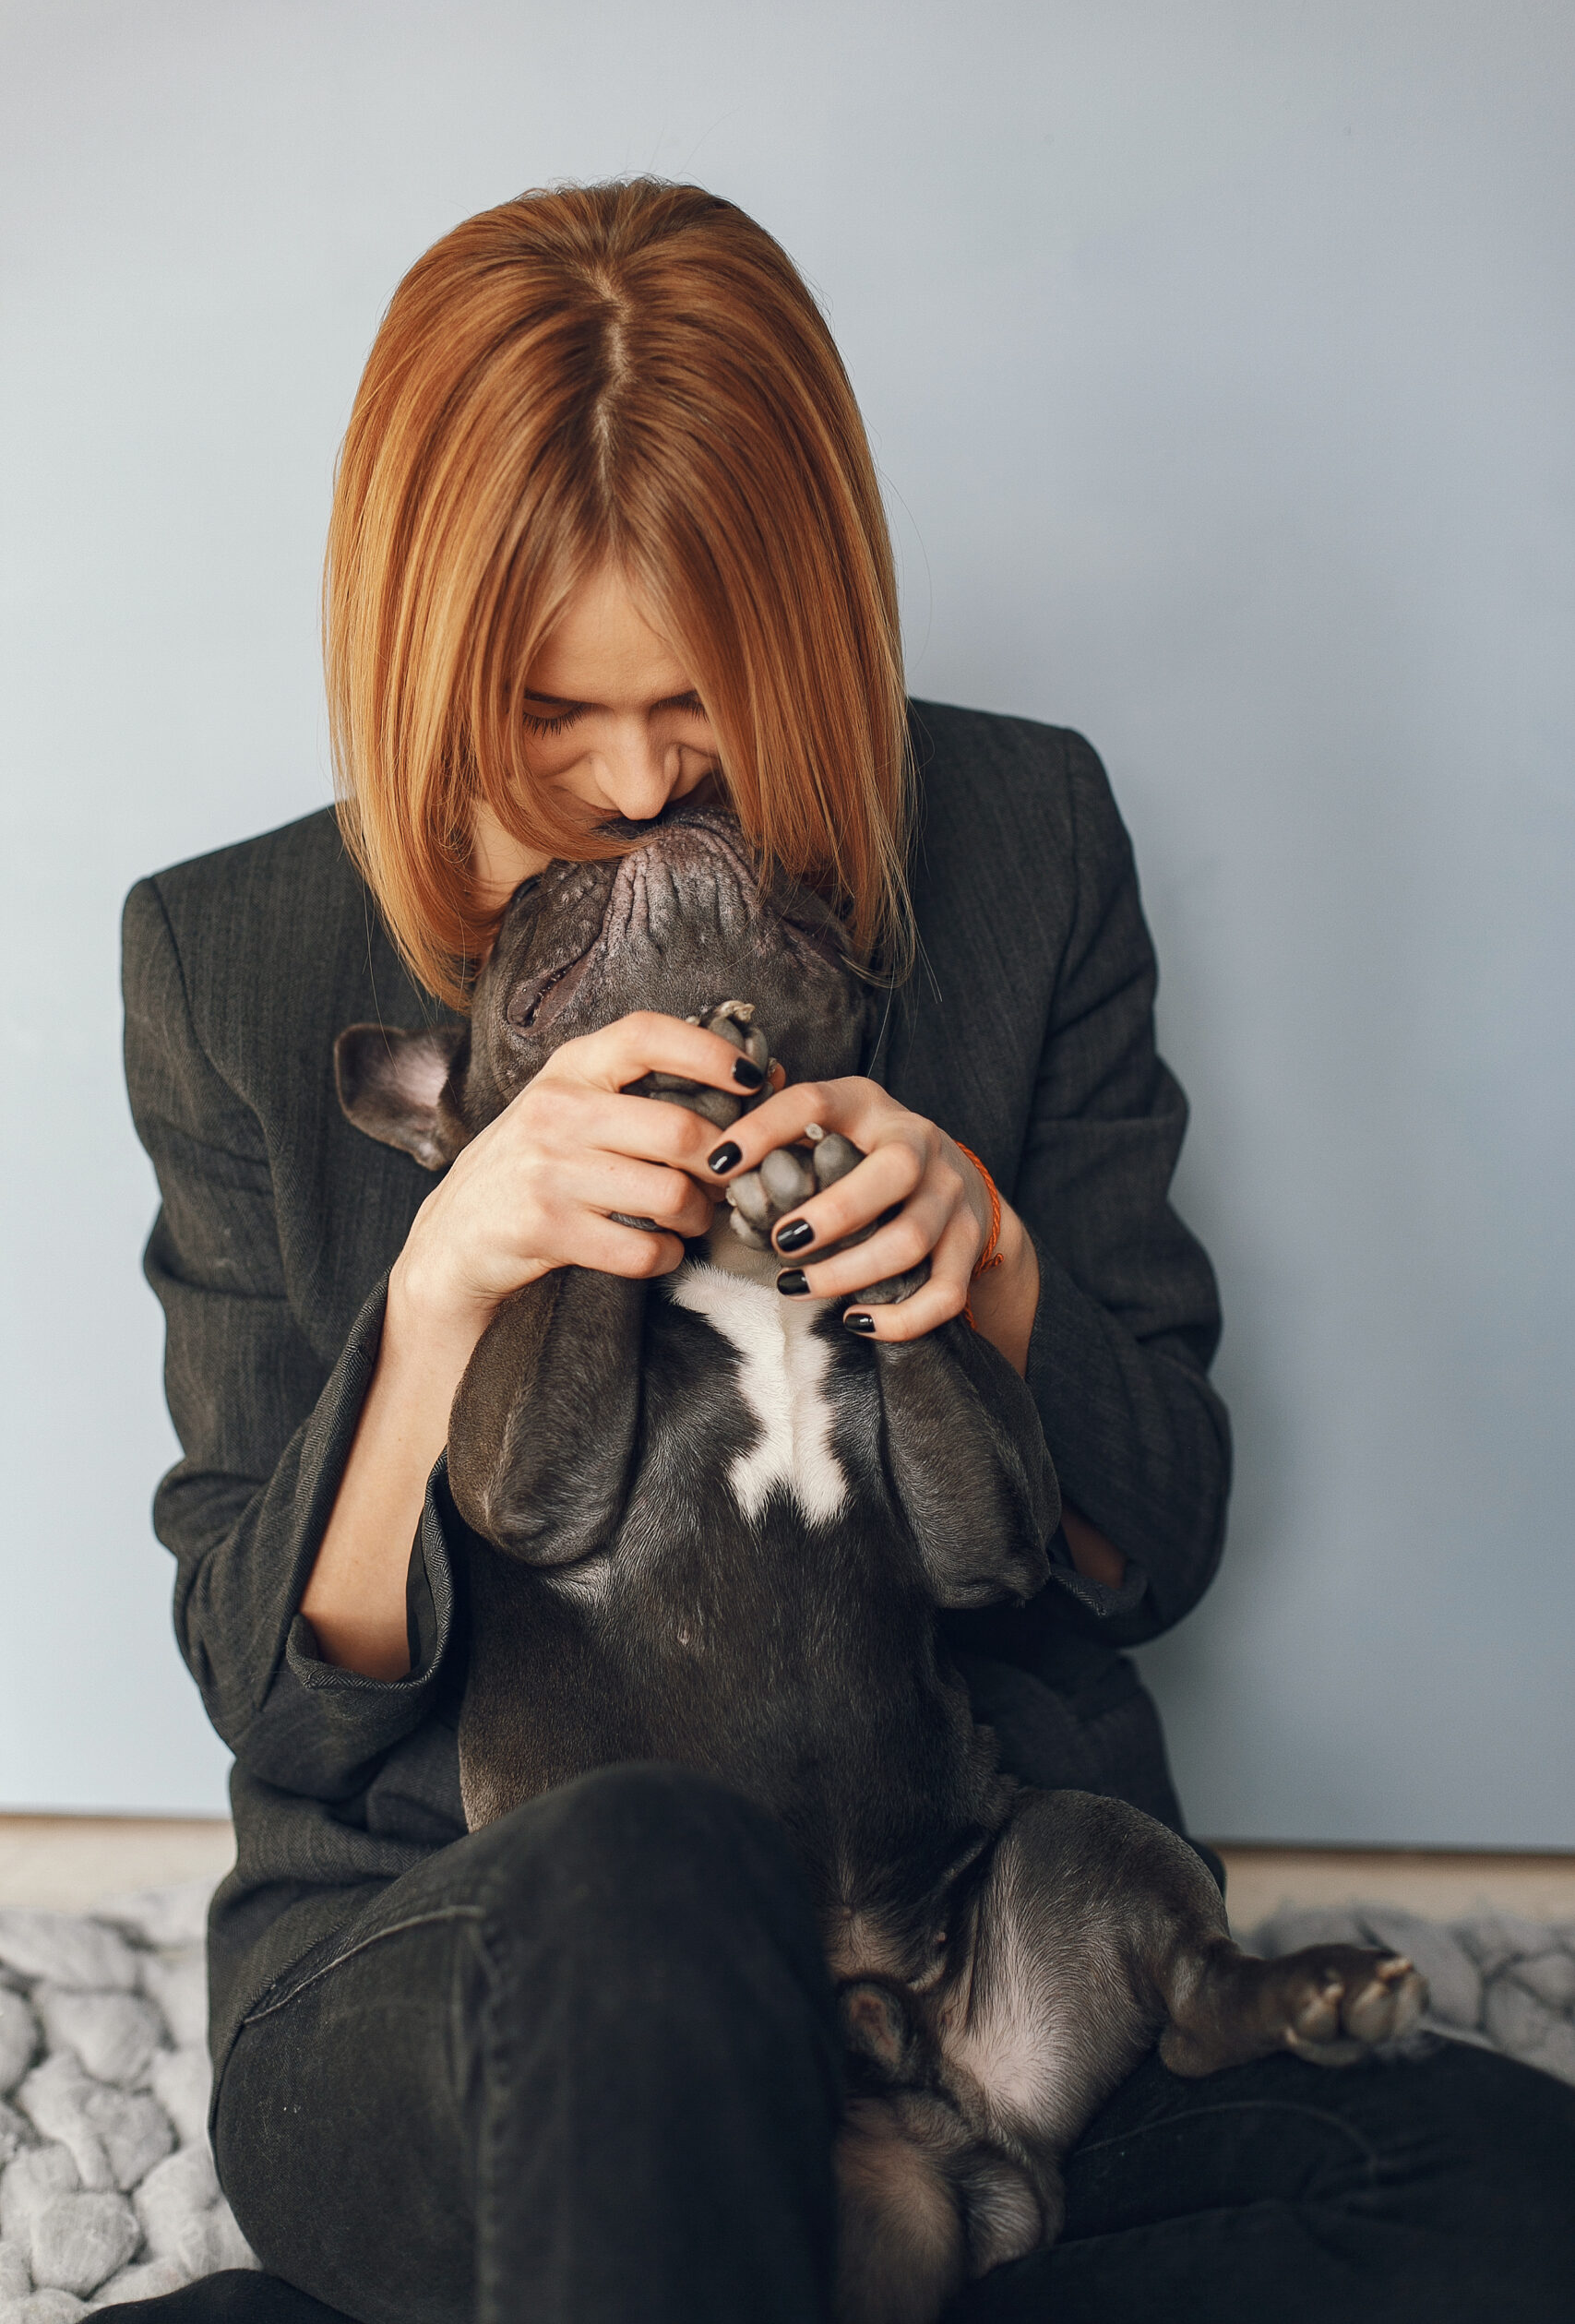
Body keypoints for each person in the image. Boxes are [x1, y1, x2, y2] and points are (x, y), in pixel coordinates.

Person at [121, 181, 1575, 2324]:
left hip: (963, 1955)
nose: (633, 784)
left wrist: (991, 1274)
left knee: (1502, 2181)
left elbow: (1147, 1548)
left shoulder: (1018, 836)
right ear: (421, 663)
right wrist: (442, 1292)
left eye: (700, 701)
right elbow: (280, 1698)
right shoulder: (232, 957)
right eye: (547, 714)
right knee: (640, 1882)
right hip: (483, 1969)